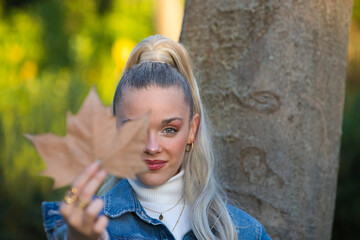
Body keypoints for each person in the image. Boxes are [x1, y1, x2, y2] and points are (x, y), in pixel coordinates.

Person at [42, 35, 271, 240]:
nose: (152, 147)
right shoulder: (82, 228)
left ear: (192, 130)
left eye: (169, 129)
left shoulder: (244, 232)